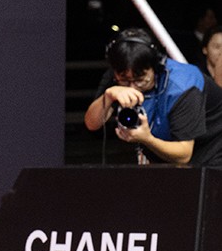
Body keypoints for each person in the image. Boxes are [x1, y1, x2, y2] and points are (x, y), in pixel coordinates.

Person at [84, 27, 222, 167]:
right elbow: (92, 124)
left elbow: (183, 155)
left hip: (211, 152)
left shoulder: (183, 86)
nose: (132, 87)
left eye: (140, 80)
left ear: (156, 67)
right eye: (125, 80)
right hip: (164, 153)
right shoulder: (121, 73)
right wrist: (108, 97)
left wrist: (147, 139)